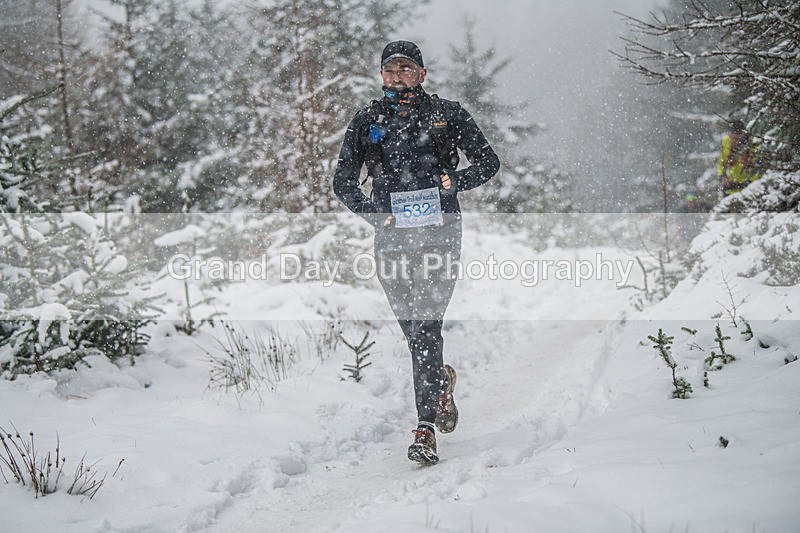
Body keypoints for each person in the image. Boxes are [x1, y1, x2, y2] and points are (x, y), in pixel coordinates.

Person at [333, 40, 500, 465]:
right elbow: (344, 182)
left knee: (425, 328)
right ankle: (440, 384)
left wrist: (454, 181)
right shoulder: (367, 119)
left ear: (422, 74)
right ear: (381, 76)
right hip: (392, 236)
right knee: (412, 327)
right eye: (390, 70)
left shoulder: (447, 114)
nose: (397, 76)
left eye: (406, 69)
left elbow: (488, 162)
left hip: (440, 232)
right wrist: (376, 214)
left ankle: (425, 428)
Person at [718, 120, 762, 196]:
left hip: (749, 190)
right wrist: (722, 177)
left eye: (738, 136)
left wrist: (748, 184)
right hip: (730, 189)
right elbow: (722, 163)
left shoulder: (754, 146)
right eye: (732, 135)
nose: (735, 139)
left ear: (743, 134)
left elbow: (758, 170)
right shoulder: (726, 142)